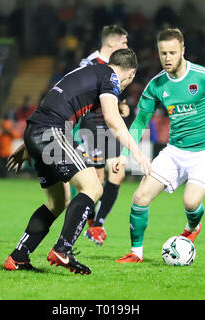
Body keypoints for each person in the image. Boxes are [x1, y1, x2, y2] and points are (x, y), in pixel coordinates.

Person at [114, 28, 205, 263]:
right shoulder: (156, 85)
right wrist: (123, 153)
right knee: (140, 197)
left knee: (191, 202)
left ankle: (193, 226)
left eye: (172, 52)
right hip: (175, 150)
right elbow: (140, 121)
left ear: (183, 51)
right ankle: (135, 253)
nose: (167, 58)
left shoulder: (204, 76)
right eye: (163, 53)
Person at [4, 49, 151, 275]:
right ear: (130, 73)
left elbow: (56, 104)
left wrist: (30, 143)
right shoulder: (110, 77)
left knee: (57, 202)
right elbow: (112, 119)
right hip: (51, 132)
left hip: (37, 130)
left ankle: (18, 257)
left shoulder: (88, 72)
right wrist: (137, 152)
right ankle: (63, 249)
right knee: (92, 187)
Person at [77, 25, 131, 246]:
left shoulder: (118, 66)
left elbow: (112, 95)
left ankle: (98, 223)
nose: (126, 46)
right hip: (92, 124)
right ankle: (89, 221)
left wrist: (121, 106)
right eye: (124, 42)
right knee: (97, 180)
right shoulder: (89, 64)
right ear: (111, 42)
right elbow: (80, 93)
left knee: (117, 174)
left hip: (109, 125)